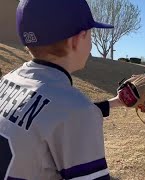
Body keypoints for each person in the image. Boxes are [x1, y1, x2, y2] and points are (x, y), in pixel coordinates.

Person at [0, 0, 124, 179]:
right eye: (90, 34)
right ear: (76, 39)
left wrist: (115, 103)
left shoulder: (8, 79)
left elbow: (50, 114)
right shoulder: (76, 110)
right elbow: (68, 114)